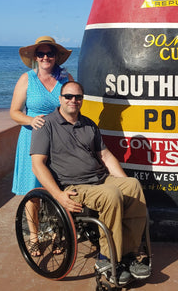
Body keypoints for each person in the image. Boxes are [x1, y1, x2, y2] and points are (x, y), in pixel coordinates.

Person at [30, 81, 151, 286]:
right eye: (68, 96)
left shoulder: (88, 124)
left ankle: (129, 253)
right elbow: (37, 164)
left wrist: (124, 181)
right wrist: (58, 195)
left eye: (77, 97)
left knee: (133, 186)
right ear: (60, 99)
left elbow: (105, 156)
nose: (73, 100)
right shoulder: (46, 125)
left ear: (82, 100)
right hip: (73, 185)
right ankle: (106, 258)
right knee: (111, 195)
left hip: (99, 178)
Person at [10, 36, 73, 256]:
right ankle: (34, 237)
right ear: (35, 57)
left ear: (56, 57)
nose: (46, 57)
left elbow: (74, 105)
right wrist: (31, 120)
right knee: (33, 191)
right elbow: (14, 112)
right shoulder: (26, 79)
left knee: (58, 187)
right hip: (32, 139)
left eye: (50, 54)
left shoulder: (66, 78)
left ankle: (58, 234)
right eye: (41, 54)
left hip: (59, 139)